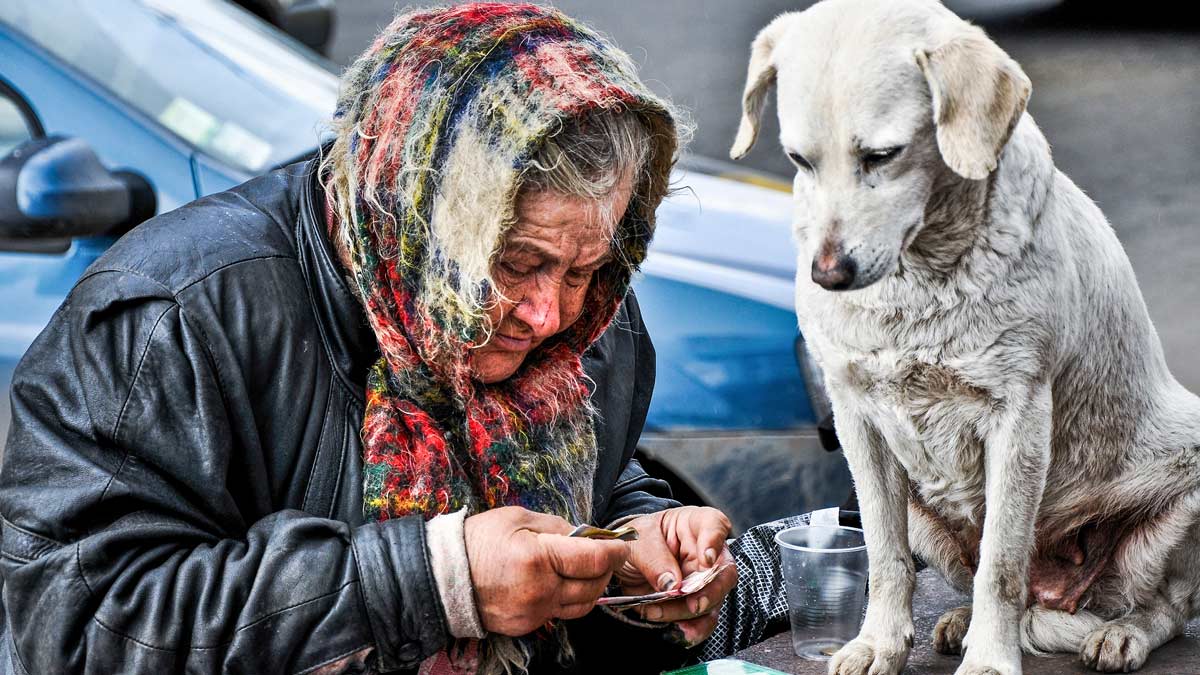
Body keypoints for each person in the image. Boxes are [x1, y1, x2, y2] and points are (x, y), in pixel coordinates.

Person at [0, 4, 737, 674]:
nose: (549, 313)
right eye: (516, 262)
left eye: (584, 267)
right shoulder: (174, 315)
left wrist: (634, 548)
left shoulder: (587, 314)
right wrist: (436, 579)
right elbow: (77, 628)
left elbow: (589, 471)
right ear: (411, 221)